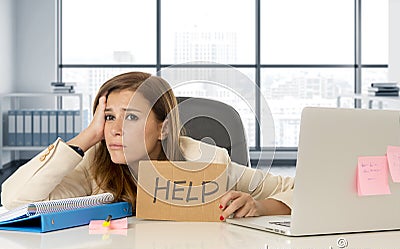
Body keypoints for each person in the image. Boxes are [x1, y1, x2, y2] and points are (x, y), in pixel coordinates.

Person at [1, 71, 294, 220]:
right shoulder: (93, 166)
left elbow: (298, 189)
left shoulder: (206, 160)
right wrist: (86, 138)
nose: (115, 129)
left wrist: (259, 206)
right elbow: (15, 202)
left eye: (130, 117)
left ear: (162, 128)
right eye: (108, 117)